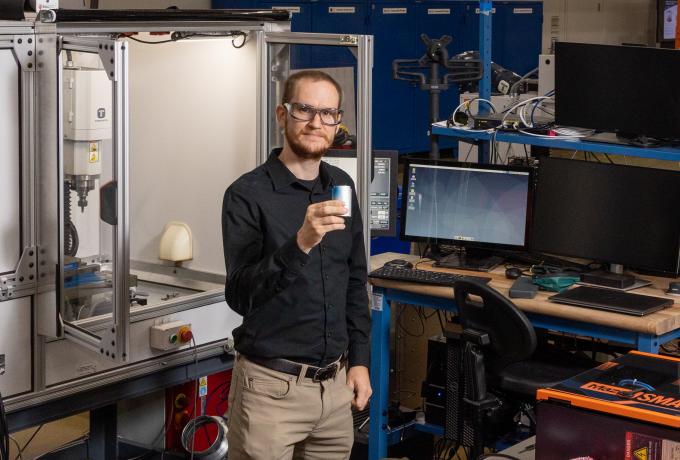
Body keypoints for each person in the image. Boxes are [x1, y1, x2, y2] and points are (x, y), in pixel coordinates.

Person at [222, 70, 371, 460]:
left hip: (335, 390)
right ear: (282, 114)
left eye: (328, 114)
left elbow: (354, 280)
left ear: (338, 123)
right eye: (304, 109)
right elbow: (240, 295)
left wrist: (360, 362)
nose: (316, 123)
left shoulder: (341, 185)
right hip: (271, 391)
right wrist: (301, 242)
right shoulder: (246, 195)